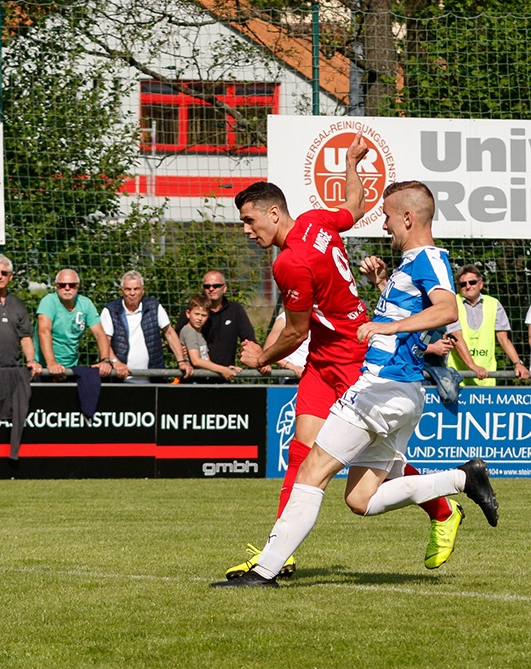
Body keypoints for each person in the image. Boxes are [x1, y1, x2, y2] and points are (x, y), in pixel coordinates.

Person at [214, 179, 499, 589]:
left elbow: (446, 308)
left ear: (407, 218)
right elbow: (355, 210)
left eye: (388, 217)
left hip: (377, 385)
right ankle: (461, 480)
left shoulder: (425, 259)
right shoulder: (404, 259)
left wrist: (388, 327)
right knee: (359, 499)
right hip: (390, 387)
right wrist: (383, 285)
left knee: (311, 471)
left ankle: (266, 571)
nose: (383, 225)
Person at [100, 270, 193, 383]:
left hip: (153, 379)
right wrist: (116, 362)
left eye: (136, 289)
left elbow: (169, 333)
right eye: (128, 289)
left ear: (143, 290)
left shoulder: (154, 306)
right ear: (121, 291)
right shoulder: (110, 310)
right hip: (119, 380)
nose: (132, 293)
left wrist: (181, 361)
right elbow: (104, 341)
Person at [444, 264, 529, 386]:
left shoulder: (494, 304)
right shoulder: (452, 304)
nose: (468, 286)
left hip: (486, 377)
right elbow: (456, 338)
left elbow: (503, 338)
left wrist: (518, 363)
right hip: (457, 377)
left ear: (481, 284)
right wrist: (473, 366)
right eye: (463, 284)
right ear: (458, 287)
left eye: (472, 282)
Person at [35, 269, 113, 380]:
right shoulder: (48, 302)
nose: (67, 288)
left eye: (72, 285)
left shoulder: (86, 304)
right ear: (56, 286)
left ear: (78, 286)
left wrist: (105, 360)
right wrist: (51, 363)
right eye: (62, 285)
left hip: (71, 367)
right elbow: (44, 331)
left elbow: (100, 334)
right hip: (44, 367)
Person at [199, 269, 256, 372]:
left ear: (224, 288)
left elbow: (249, 340)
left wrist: (259, 361)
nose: (211, 289)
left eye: (216, 286)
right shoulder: (195, 311)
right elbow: (177, 339)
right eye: (207, 286)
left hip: (226, 374)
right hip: (197, 375)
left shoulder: (235, 310)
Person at [179, 295, 238, 382]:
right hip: (192, 380)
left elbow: (206, 360)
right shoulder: (189, 331)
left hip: (202, 379)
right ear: (188, 313)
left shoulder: (199, 333)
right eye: (196, 314)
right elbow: (196, 361)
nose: (199, 318)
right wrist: (222, 370)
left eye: (204, 315)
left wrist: (226, 369)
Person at [263, 310, 309, 381]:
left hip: (316, 377)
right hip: (292, 378)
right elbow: (267, 351)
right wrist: (291, 366)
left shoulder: (320, 317)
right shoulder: (283, 319)